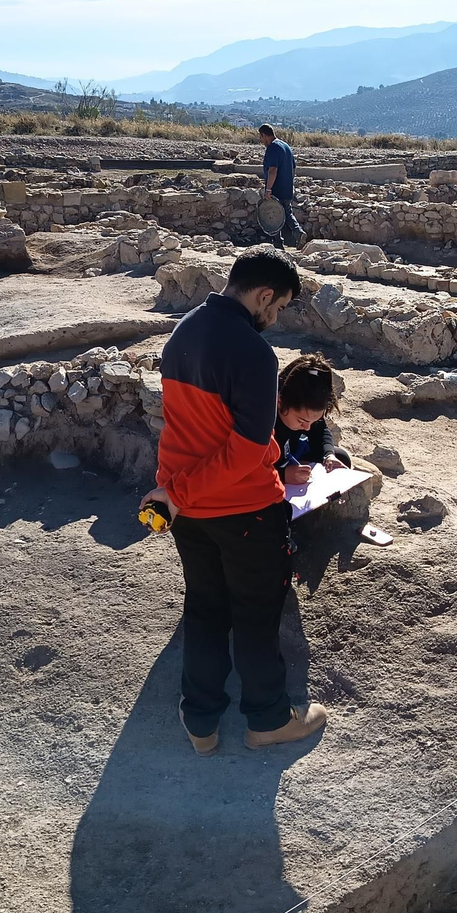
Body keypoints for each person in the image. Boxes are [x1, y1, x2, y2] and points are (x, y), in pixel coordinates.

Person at [142, 246, 329, 755]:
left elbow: (198, 426)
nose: (277, 316)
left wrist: (176, 494)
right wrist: (182, 491)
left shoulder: (184, 331)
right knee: (255, 613)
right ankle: (267, 720)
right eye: (280, 306)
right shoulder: (252, 351)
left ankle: (200, 721)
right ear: (263, 294)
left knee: (205, 608)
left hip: (188, 513)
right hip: (243, 512)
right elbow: (246, 451)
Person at [272, 353, 352, 487]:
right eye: (301, 421)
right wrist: (282, 474)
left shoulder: (304, 411)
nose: (307, 428)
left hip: (292, 452)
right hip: (268, 464)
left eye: (314, 421)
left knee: (340, 458)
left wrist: (328, 455)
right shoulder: (262, 421)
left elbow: (320, 431)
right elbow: (245, 471)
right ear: (280, 402)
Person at [258, 123, 305, 249]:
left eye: (261, 138)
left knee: (273, 215)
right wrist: (289, 182)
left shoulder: (272, 148)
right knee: (287, 213)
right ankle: (298, 233)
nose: (262, 141)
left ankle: (278, 244)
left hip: (276, 189)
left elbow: (272, 170)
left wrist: (268, 189)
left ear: (264, 135)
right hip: (287, 188)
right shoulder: (286, 146)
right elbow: (294, 168)